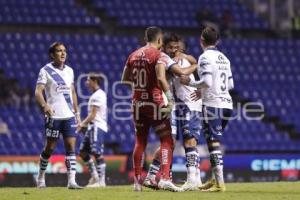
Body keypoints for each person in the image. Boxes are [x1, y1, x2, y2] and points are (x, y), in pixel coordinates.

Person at [121, 26, 196, 192]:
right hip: (155, 103)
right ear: (160, 40)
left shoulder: (133, 55)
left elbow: (124, 78)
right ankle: (165, 179)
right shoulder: (160, 56)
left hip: (138, 103)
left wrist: (141, 89)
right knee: (167, 141)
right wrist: (195, 65)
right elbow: (177, 74)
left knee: (140, 142)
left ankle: (137, 182)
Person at [143, 33, 203, 191]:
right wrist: (195, 65)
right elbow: (180, 73)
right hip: (170, 103)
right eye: (171, 47)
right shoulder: (164, 59)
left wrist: (194, 68)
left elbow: (189, 66)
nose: (175, 50)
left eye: (177, 47)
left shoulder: (182, 57)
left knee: (175, 142)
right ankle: (171, 178)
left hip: (187, 104)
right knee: (172, 142)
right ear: (163, 46)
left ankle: (191, 177)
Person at [180, 26, 234, 192]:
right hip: (227, 104)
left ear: (201, 40)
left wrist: (189, 82)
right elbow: (231, 84)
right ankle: (214, 179)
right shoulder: (224, 58)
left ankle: (219, 183)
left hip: (213, 104)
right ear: (217, 41)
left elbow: (207, 82)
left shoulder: (204, 57)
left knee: (212, 141)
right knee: (214, 139)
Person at [35, 42, 83, 189]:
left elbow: (73, 92)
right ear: (52, 54)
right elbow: (38, 91)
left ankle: (71, 182)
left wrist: (77, 113)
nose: (63, 53)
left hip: (68, 116)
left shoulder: (70, 71)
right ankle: (41, 178)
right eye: (59, 51)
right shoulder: (45, 70)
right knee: (50, 148)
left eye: (64, 51)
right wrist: (45, 106)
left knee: (71, 147)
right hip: (54, 116)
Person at [77, 73, 107, 188]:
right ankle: (95, 176)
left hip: (97, 126)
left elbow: (93, 114)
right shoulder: (95, 94)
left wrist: (81, 124)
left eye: (88, 80)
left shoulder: (98, 95)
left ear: (95, 81)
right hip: (92, 127)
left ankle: (101, 181)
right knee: (83, 152)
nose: (86, 82)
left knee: (97, 152)